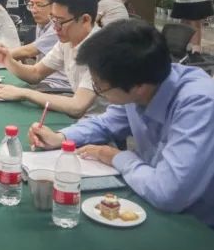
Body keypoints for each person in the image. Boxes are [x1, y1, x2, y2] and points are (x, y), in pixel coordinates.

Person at [28, 19, 214, 227]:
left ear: (139, 87)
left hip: (197, 224)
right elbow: (106, 123)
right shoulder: (140, 81)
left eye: (100, 88)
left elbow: (167, 192)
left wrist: (117, 157)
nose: (98, 91)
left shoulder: (198, 104)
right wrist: (60, 137)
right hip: (148, 196)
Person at [0, 0, 103, 118]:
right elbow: (35, 73)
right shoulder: (67, 41)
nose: (55, 28)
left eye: (60, 21)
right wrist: (7, 59)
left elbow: (77, 107)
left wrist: (25, 93)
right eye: (53, 19)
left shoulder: (100, 48)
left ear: (85, 20)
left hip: (97, 124)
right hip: (81, 119)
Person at [0, 0, 69, 89]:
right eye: (31, 5)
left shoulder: (57, 29)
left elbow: (28, 52)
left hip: (57, 86)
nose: (34, 10)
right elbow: (35, 72)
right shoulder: (42, 23)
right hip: (43, 80)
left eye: (39, 5)